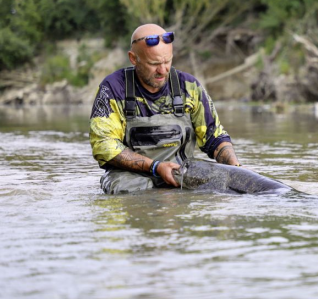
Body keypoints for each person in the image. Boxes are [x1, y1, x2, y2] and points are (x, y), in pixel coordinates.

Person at [90, 23, 240, 194]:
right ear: (133, 58)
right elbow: (104, 146)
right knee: (130, 189)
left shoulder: (189, 86)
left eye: (167, 61)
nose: (162, 70)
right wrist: (156, 167)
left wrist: (236, 169)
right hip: (130, 177)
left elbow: (215, 137)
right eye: (154, 64)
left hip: (181, 173)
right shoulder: (112, 88)